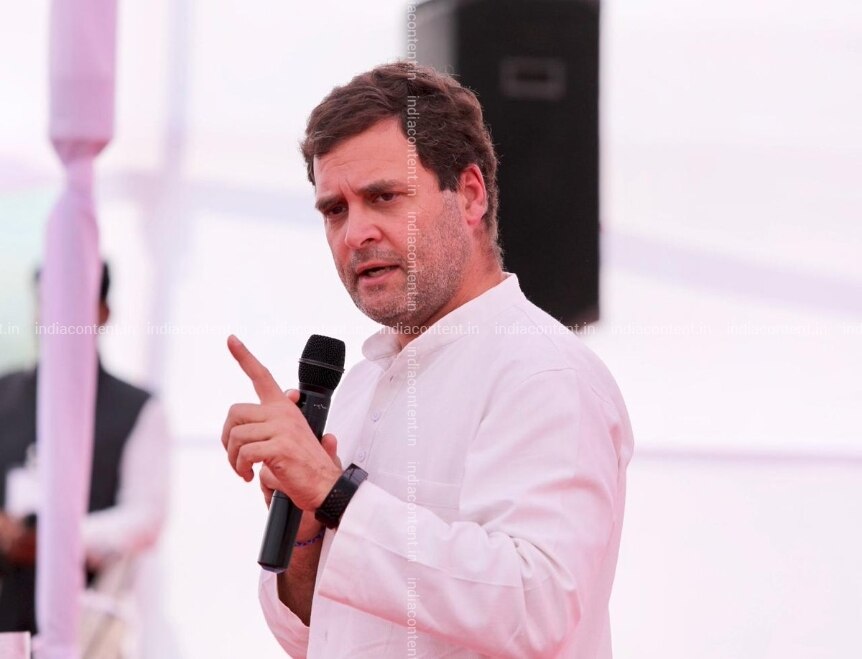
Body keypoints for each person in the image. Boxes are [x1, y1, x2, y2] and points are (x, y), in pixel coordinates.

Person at [222, 62, 633, 658]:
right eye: (335, 210)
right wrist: (307, 535)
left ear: (469, 194)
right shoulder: (360, 387)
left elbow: (535, 606)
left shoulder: (545, 373)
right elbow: (318, 636)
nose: (355, 233)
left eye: (384, 197)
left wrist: (335, 495)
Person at [0, 262, 170, 640]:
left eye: (71, 304)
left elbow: (146, 517)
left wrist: (59, 538)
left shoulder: (137, 408)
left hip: (89, 621)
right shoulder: (4, 393)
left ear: (102, 312)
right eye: (48, 303)